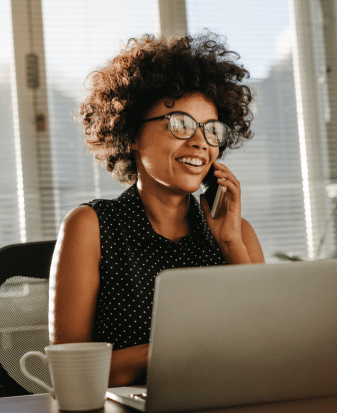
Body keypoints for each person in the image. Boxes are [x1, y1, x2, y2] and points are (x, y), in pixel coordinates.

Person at [48, 32, 265, 388]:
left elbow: (268, 350)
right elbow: (70, 373)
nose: (200, 142)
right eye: (179, 124)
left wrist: (230, 246)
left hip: (220, 411)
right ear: (131, 133)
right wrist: (183, 349)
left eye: (212, 130)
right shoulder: (91, 227)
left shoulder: (237, 234)